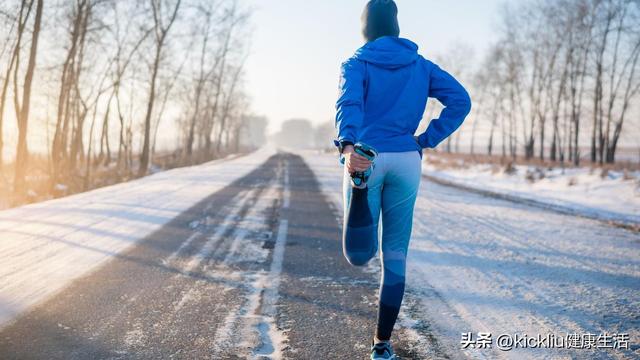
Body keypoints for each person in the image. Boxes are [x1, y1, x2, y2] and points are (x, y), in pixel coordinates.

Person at [334, 1, 472, 358]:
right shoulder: (421, 66)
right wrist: (425, 139)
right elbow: (460, 100)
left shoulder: (356, 63)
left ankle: (360, 190)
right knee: (396, 255)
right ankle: (382, 345)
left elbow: (348, 104)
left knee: (359, 255)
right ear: (395, 26)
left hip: (366, 157)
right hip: (407, 160)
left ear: (366, 27)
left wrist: (348, 146)